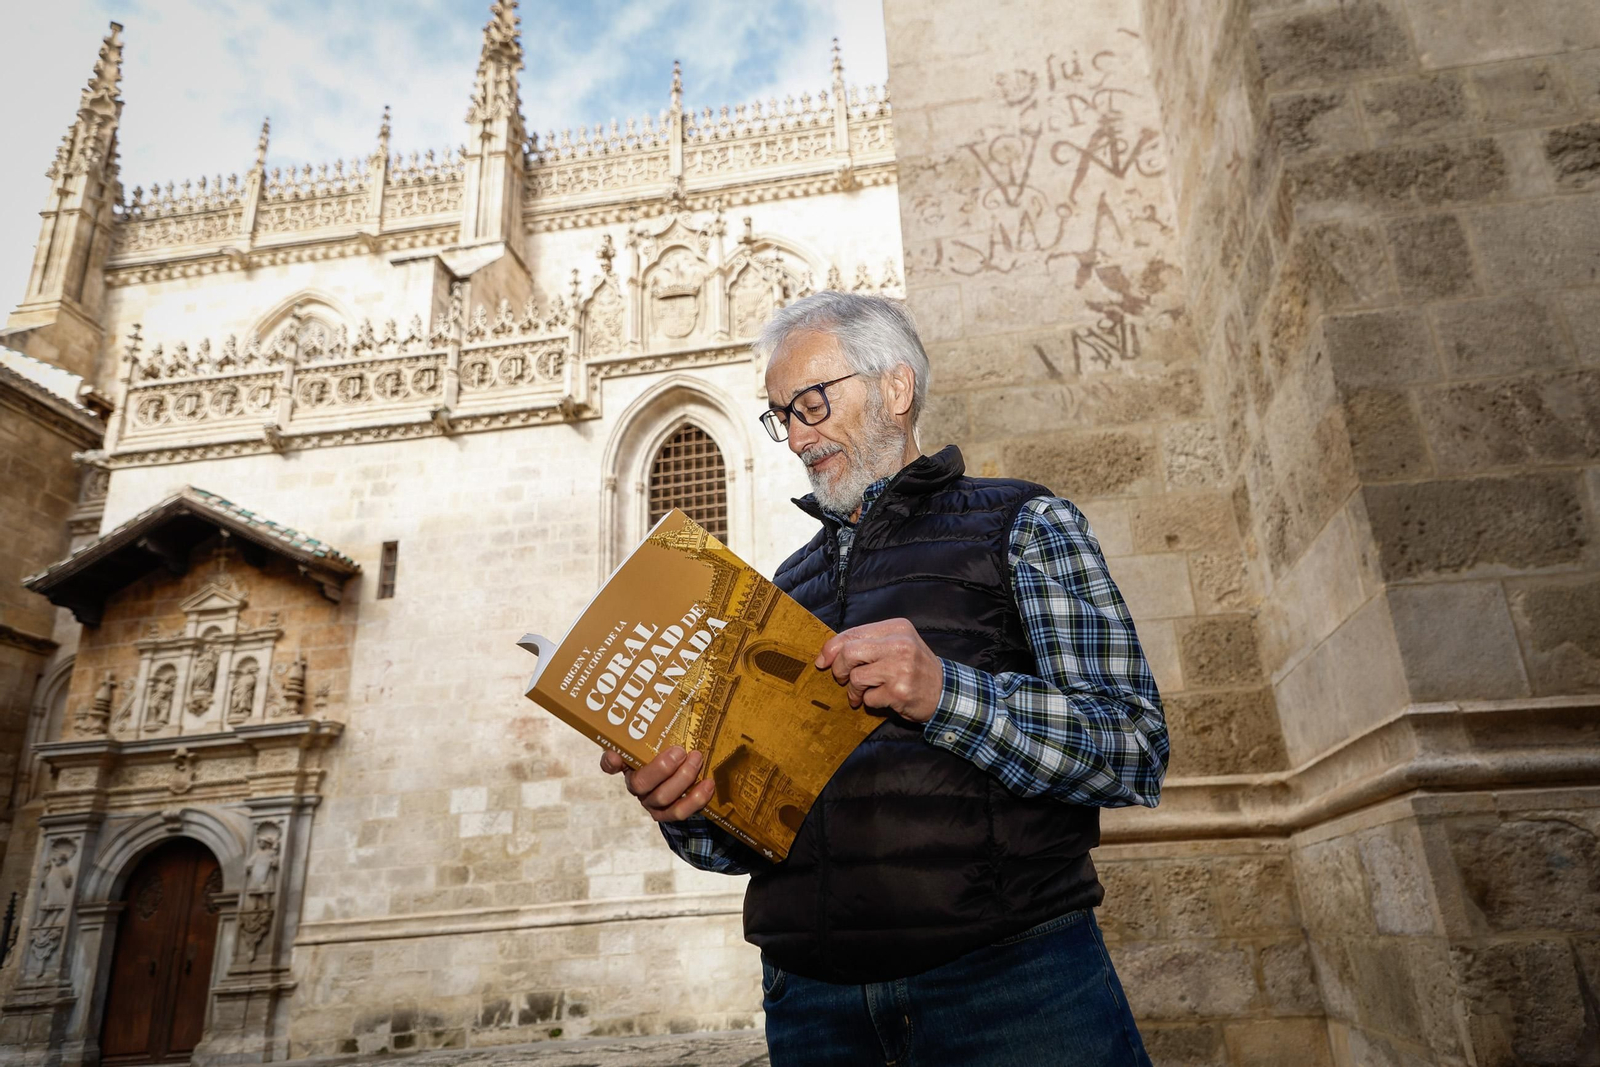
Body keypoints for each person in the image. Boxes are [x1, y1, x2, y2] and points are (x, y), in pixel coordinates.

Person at [600, 291, 1167, 1066]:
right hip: (815, 1010)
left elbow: (1132, 747)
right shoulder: (776, 592)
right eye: (781, 415)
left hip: (1014, 991)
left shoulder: (1024, 523)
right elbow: (744, 844)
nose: (797, 436)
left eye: (811, 403)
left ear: (895, 390)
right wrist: (686, 804)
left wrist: (945, 692)